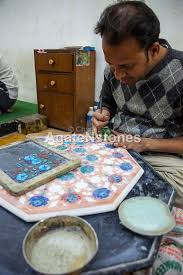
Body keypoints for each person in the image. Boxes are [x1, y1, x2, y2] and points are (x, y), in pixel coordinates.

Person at [93, 1, 183, 209]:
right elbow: (107, 101)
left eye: (126, 66)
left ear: (153, 50)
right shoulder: (115, 68)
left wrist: (145, 143)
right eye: (111, 63)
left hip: (162, 157)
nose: (117, 74)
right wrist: (103, 113)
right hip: (117, 146)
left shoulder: (180, 72)